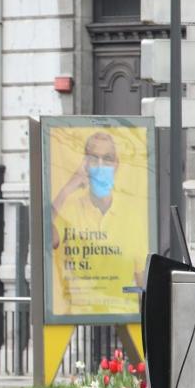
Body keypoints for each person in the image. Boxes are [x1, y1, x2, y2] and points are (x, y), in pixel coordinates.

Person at [50, 130, 146, 315]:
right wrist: (68, 188)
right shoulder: (69, 209)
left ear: (116, 164)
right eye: (94, 159)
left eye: (107, 159)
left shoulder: (131, 215)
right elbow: (46, 238)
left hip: (123, 312)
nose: (101, 166)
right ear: (85, 165)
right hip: (78, 313)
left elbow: (141, 275)